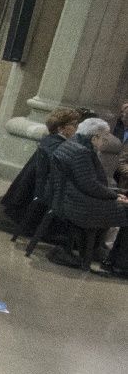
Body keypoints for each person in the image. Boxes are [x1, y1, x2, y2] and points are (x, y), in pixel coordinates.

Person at [50, 115, 128, 272]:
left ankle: (108, 254)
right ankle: (120, 263)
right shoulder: (82, 152)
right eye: (104, 138)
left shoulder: (73, 144)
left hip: (71, 197)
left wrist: (115, 193)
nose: (105, 142)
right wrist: (115, 196)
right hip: (78, 204)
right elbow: (90, 185)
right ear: (94, 138)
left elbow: (88, 183)